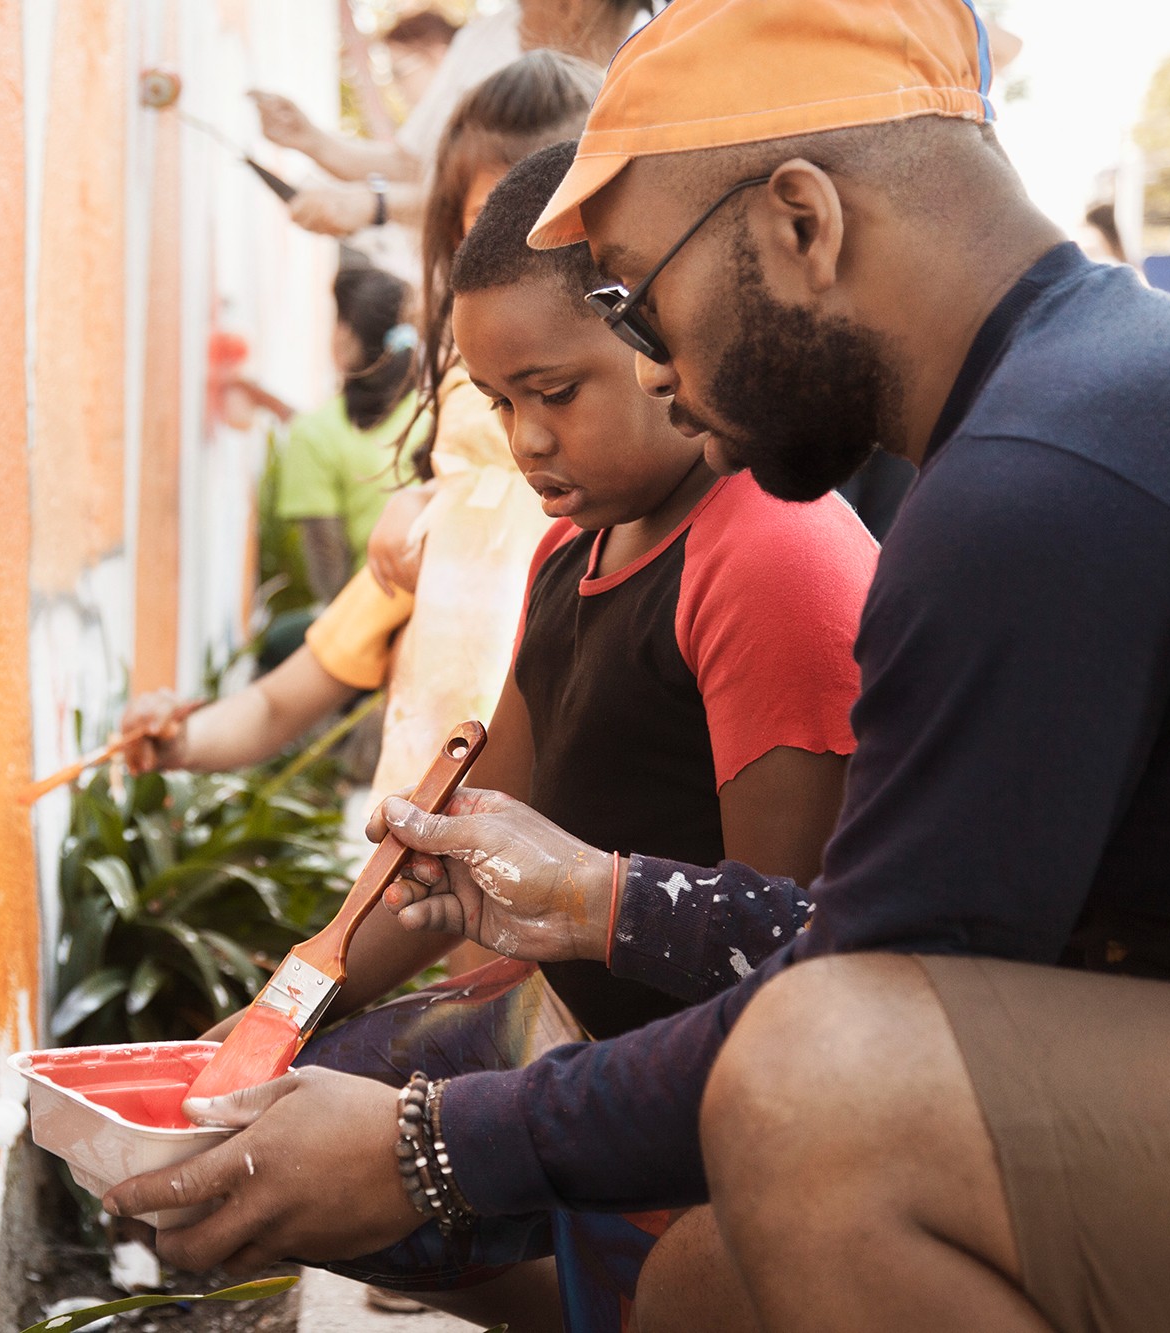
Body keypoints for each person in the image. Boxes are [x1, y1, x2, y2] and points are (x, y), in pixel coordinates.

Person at [105, 4, 1170, 1332]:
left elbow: (866, 1012)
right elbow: (920, 959)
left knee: (816, 1089)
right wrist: (576, 920)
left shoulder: (1035, 484)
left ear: (803, 224)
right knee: (705, 1277)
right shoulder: (1079, 404)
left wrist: (425, 1145)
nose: (663, 368)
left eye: (631, 291)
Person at [282, 139, 875, 1333]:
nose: (527, 442)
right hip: (567, 1024)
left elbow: (782, 940)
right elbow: (453, 842)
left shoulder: (766, 553)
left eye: (556, 392)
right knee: (295, 1156)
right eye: (499, 403)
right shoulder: (573, 550)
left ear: (664, 345)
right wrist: (269, 1015)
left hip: (691, 1094)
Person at [123, 53, 599, 793]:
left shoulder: (627, 540)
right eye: (485, 230)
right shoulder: (444, 522)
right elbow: (286, 696)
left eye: (559, 391)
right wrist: (179, 738)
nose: (527, 433)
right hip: (412, 878)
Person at [255, 2, 645, 239]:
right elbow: (416, 162)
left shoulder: (632, 89)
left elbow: (510, 204)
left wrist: (377, 206)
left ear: (572, 5)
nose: (517, 16)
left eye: (525, 4)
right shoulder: (486, 36)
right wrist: (313, 142)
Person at [269, 267, 424, 604]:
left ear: (346, 338)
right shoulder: (442, 408)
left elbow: (327, 565)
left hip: (372, 610)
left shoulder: (315, 432)